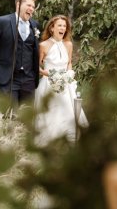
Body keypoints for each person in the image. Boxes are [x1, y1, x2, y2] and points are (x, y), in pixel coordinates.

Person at [34, 15, 88, 145]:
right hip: (48, 83)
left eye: (64, 26)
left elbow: (69, 62)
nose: (62, 28)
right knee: (52, 109)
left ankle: (70, 138)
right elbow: (35, 66)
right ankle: (50, 138)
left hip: (66, 84)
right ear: (52, 28)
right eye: (59, 25)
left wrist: (69, 73)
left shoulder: (68, 44)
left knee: (69, 110)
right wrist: (46, 73)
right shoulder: (43, 45)